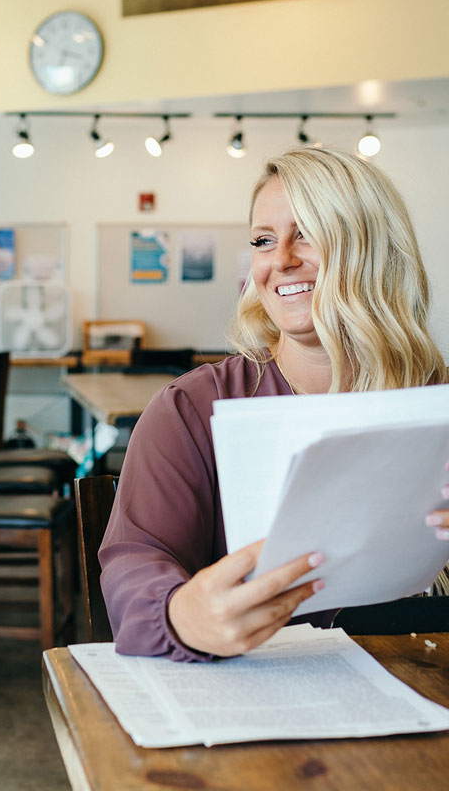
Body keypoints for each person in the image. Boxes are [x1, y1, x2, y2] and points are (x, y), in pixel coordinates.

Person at [100, 145, 449, 662]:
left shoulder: (436, 401)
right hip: (260, 699)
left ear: (372, 248)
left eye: (306, 232)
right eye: (264, 240)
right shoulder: (192, 409)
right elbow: (136, 562)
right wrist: (180, 615)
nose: (281, 260)